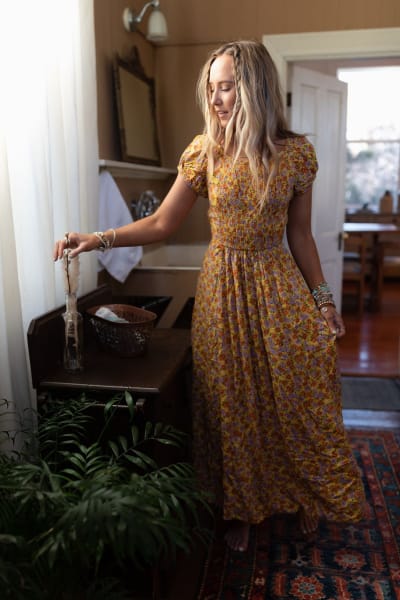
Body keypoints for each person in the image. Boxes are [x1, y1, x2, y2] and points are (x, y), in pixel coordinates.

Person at [54, 40, 366, 553]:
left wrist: (324, 300)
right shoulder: (206, 151)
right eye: (212, 89)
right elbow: (161, 223)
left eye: (227, 88)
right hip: (224, 291)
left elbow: (301, 236)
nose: (216, 99)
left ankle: (304, 493)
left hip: (279, 289)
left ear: (254, 89)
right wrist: (98, 238)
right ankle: (241, 508)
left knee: (299, 396)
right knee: (232, 404)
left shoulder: (296, 155)